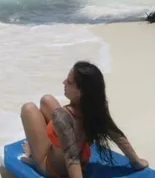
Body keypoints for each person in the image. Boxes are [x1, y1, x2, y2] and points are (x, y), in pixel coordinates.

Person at [20, 61, 148, 178]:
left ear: (81, 92)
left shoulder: (62, 117)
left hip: (55, 169)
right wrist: (136, 161)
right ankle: (43, 141)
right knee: (46, 100)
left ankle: (33, 152)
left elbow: (71, 158)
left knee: (28, 108)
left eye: (69, 82)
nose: (64, 82)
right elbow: (115, 134)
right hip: (82, 158)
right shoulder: (97, 106)